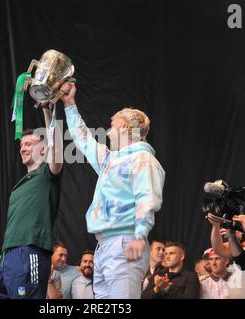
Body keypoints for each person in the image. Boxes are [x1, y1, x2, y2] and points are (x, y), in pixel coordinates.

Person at [60, 82, 165, 299]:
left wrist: (139, 235)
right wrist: (69, 103)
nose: (108, 130)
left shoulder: (143, 158)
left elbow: (147, 199)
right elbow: (83, 139)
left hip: (126, 241)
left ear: (125, 127)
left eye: (113, 125)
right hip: (105, 246)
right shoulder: (110, 159)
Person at [0, 102, 63, 299]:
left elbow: (56, 149)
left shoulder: (47, 174)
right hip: (9, 258)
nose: (22, 149)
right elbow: (15, 233)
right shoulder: (18, 187)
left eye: (28, 144)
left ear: (43, 150)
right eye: (21, 145)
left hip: (31, 252)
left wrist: (46, 109)